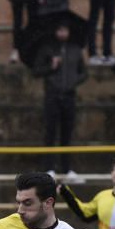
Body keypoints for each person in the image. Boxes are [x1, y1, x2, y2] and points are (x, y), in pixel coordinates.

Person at [32, 21, 87, 183]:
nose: (63, 33)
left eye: (65, 30)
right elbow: (36, 71)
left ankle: (67, 168)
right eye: (60, 30)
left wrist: (73, 81)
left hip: (69, 95)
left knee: (67, 133)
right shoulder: (47, 49)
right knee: (50, 132)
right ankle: (49, 168)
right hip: (52, 96)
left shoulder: (75, 50)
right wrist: (52, 66)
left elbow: (84, 73)